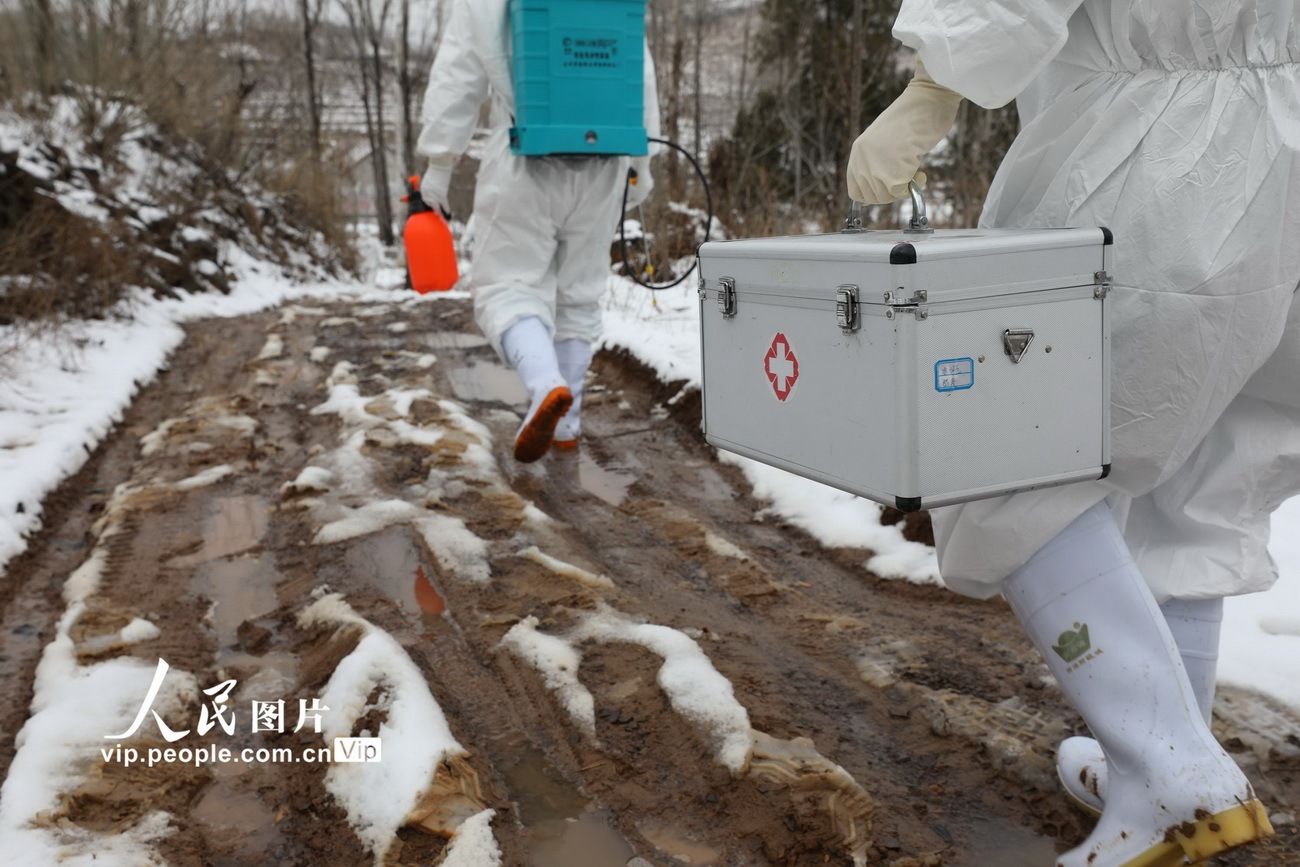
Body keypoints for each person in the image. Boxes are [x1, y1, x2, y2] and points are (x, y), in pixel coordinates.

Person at [846, 0, 1299, 864]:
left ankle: (1172, 771)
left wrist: (937, 80)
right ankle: (1160, 760)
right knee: (1201, 470)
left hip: (1161, 150)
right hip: (1288, 137)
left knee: (1006, 443)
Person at [416, 0, 660, 462]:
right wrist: (642, 162)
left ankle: (546, 384)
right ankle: (567, 423)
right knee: (579, 295)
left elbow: (458, 77)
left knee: (507, 286)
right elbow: (637, 74)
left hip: (524, 160)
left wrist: (439, 161)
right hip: (605, 164)